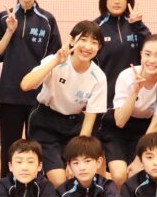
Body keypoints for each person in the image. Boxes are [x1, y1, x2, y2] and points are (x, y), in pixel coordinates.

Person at [0, 0, 61, 175]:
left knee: (36, 148)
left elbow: (54, 59)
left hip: (39, 96)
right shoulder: (3, 18)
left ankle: (36, 186)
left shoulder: (47, 20)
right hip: (9, 95)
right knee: (9, 148)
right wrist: (9, 31)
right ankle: (6, 187)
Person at [20, 21, 107, 186]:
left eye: (94, 42)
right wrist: (55, 62)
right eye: (83, 40)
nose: (88, 46)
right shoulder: (56, 61)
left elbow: (89, 121)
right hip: (45, 122)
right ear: (72, 41)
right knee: (59, 180)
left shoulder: (99, 77)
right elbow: (25, 85)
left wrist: (77, 156)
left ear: (99, 47)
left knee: (78, 175)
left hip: (74, 126)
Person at [97, 34, 157, 188]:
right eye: (147, 54)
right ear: (141, 54)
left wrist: (138, 159)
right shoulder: (127, 76)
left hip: (144, 129)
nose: (152, 60)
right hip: (116, 127)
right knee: (119, 175)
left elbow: (155, 124)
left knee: (136, 175)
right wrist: (135, 90)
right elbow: (120, 122)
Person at [93, 0, 151, 104]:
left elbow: (151, 50)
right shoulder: (96, 27)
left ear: (128, 0)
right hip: (104, 97)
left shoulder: (137, 25)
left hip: (135, 95)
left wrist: (138, 25)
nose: (117, 1)